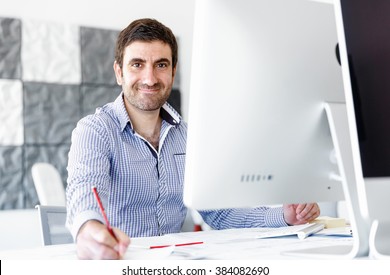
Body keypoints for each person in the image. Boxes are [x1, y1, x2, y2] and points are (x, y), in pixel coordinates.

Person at [65, 18, 320, 260]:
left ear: (173, 72)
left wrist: (284, 216)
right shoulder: (95, 130)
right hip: (121, 261)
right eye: (137, 64)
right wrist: (89, 228)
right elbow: (84, 188)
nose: (150, 78)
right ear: (119, 72)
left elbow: (220, 212)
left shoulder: (189, 136)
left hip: (175, 264)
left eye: (161, 65)